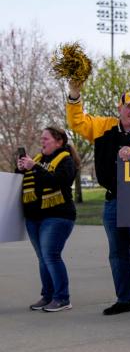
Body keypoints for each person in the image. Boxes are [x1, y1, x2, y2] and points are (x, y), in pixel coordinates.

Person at [66, 87, 130, 317]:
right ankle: (125, 299)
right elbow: (77, 122)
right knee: (117, 254)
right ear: (119, 108)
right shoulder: (104, 126)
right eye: (129, 106)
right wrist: (74, 95)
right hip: (112, 199)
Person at [17, 127, 78, 312]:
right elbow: (28, 184)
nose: (42, 142)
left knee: (51, 256)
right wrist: (20, 169)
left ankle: (62, 298)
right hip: (34, 217)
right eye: (41, 138)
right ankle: (48, 295)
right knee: (43, 258)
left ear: (59, 141)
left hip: (57, 216)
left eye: (46, 139)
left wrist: (34, 168)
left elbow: (58, 181)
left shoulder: (66, 159)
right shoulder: (36, 160)